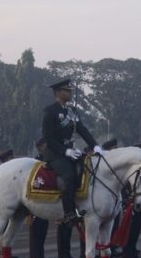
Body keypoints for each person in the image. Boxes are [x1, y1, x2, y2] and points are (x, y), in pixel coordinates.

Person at [41, 79, 103, 225]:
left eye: (70, 90)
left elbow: (82, 130)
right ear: (57, 92)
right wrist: (65, 151)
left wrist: (95, 146)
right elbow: (48, 138)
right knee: (69, 175)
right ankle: (69, 213)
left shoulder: (72, 111)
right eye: (66, 90)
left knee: (87, 168)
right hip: (54, 153)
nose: (70, 92)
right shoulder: (50, 111)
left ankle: (83, 204)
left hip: (70, 150)